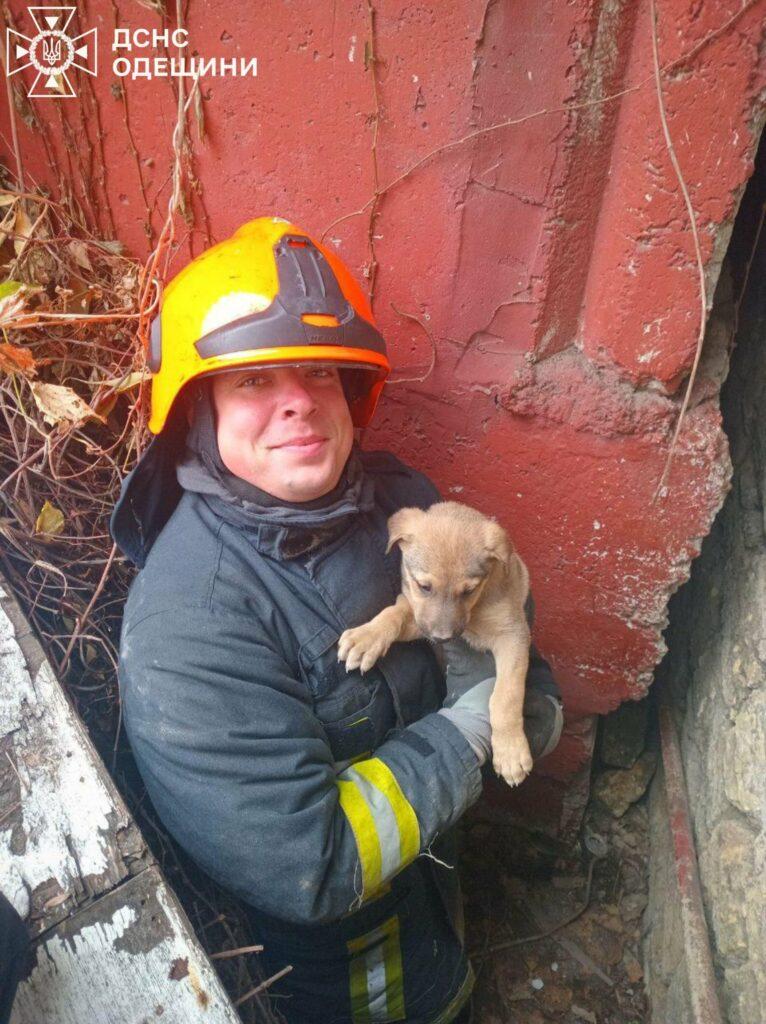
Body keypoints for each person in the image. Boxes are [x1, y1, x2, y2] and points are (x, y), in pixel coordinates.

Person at [110, 217, 563, 1024]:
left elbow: (497, 612)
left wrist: (525, 690)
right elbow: (308, 863)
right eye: (254, 381)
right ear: (196, 410)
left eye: (319, 372)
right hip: (352, 964)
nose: (298, 404)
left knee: (451, 973)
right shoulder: (190, 623)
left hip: (438, 872)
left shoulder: (402, 501)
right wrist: (471, 734)